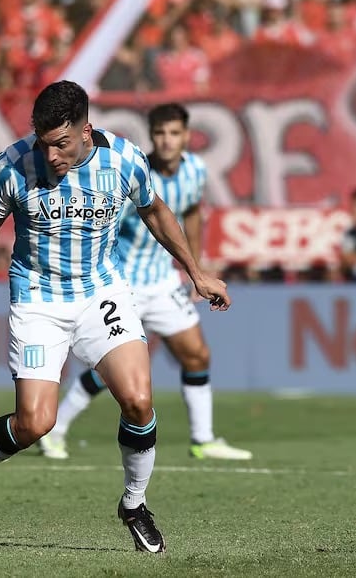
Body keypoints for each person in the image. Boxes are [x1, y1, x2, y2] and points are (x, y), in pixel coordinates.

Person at [0, 81, 231, 554]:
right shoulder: (13, 165)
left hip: (102, 292)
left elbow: (155, 211)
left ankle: (134, 504)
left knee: (138, 400)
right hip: (38, 297)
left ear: (85, 130)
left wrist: (196, 272)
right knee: (36, 423)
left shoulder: (123, 160)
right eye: (43, 141)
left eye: (61, 143)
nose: (51, 153)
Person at [40, 103, 252, 462]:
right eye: (159, 133)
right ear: (151, 136)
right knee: (113, 372)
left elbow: (192, 214)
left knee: (197, 354)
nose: (166, 141)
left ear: (186, 136)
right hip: (125, 284)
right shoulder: (132, 169)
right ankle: (56, 430)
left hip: (163, 281)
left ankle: (203, 439)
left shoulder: (196, 171)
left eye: (173, 133)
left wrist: (194, 269)